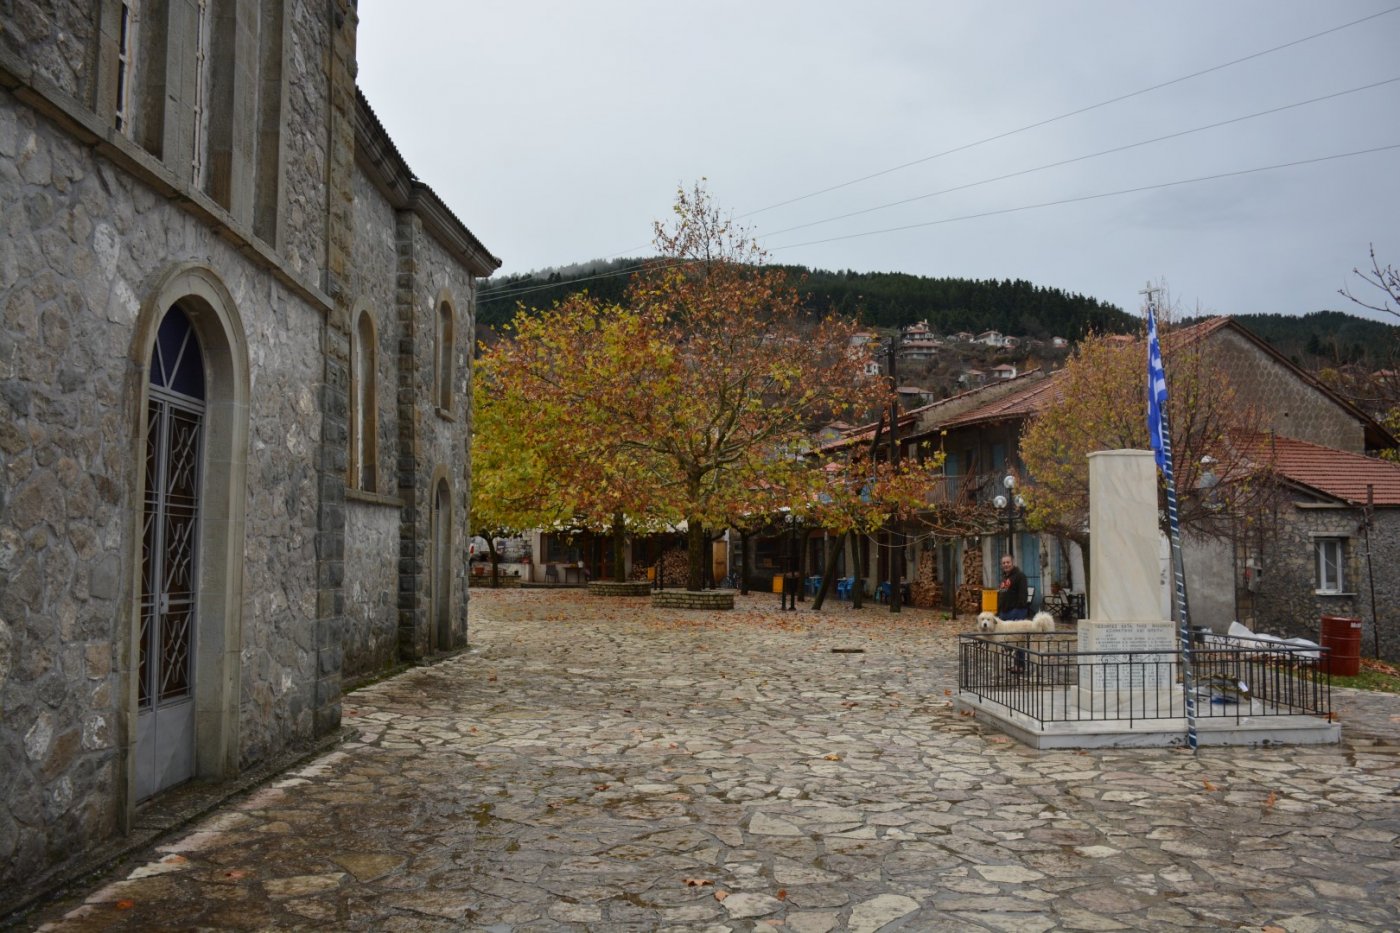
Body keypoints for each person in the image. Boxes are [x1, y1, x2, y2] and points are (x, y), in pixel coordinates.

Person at [997, 554, 1029, 620]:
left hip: (1016, 612)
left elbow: (1023, 595)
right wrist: (999, 610)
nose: (1006, 564)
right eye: (1003, 563)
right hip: (1003, 613)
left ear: (1012, 563)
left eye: (1008, 562)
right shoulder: (1004, 578)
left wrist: (1017, 610)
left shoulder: (1020, 576)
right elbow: (1002, 594)